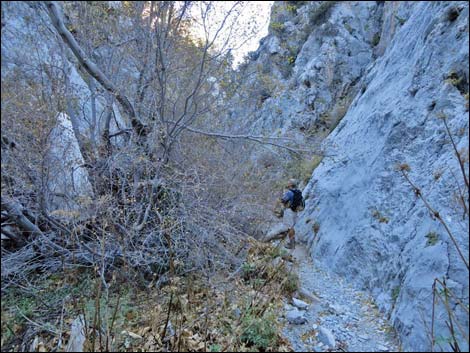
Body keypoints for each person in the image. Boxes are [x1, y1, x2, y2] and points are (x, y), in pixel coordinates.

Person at [280, 179, 304, 249]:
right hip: (295, 212)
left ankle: (291, 244)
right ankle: (292, 241)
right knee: (291, 227)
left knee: (290, 228)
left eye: (289, 182)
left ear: (291, 184)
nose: (288, 183)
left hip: (289, 211)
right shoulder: (299, 192)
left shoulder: (289, 192)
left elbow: (283, 200)